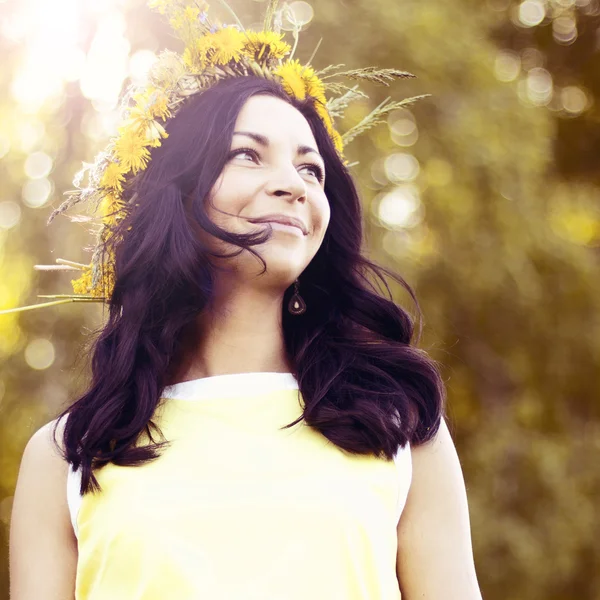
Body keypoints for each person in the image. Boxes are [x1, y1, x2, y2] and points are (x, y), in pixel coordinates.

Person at [9, 2, 483, 599]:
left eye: (310, 169)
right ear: (177, 194)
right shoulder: (66, 457)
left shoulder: (401, 429)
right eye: (247, 154)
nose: (292, 183)